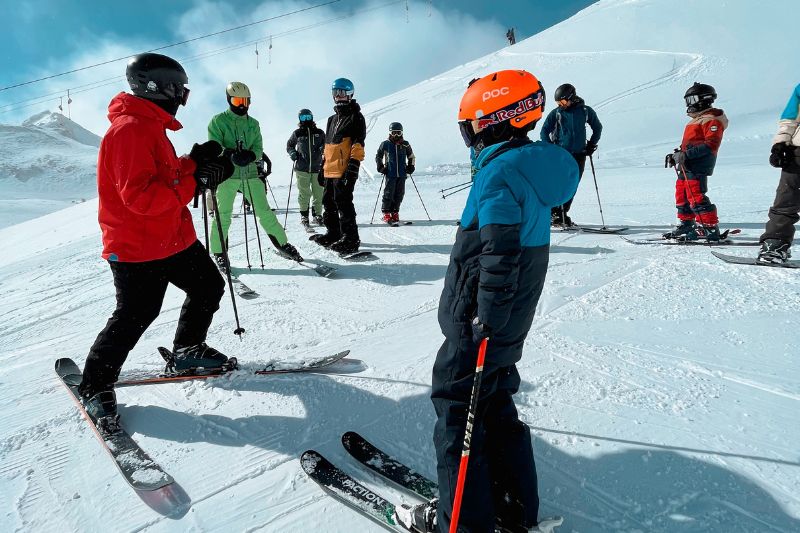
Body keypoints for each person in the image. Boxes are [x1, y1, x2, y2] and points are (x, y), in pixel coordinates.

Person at [397, 70, 579, 533]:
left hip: (483, 319)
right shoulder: (530, 164)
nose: (469, 137)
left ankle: (460, 522)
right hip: (507, 319)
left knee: (458, 407)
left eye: (471, 126)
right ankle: (514, 508)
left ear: (495, 120)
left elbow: (498, 251)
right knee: (495, 402)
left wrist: (484, 317)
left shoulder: (500, 172)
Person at [78, 53, 235, 432]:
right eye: (180, 90)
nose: (183, 97)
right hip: (137, 248)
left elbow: (163, 174)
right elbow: (142, 197)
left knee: (208, 286)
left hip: (171, 238)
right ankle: (94, 385)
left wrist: (194, 162)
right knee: (135, 314)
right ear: (159, 88)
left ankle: (186, 351)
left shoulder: (149, 127)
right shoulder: (129, 131)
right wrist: (194, 183)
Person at [207, 81, 303, 268]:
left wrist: (251, 155)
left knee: (264, 211)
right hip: (228, 175)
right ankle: (219, 252)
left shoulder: (253, 124)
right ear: (229, 100)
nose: (242, 105)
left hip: (250, 174)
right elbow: (214, 146)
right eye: (237, 101)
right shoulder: (218, 121)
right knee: (223, 214)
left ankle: (283, 244)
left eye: (245, 100)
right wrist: (229, 154)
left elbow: (258, 147)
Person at [663, 82, 728, 241]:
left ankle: (710, 227)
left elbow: (710, 145)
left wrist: (686, 155)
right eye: (687, 100)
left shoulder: (712, 120)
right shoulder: (697, 119)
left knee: (696, 195)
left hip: (698, 165)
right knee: (682, 194)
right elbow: (692, 143)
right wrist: (677, 155)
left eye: (692, 100)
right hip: (687, 165)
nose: (689, 104)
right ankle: (687, 224)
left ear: (703, 99)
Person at [309, 78, 367, 254]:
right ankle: (333, 233)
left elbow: (358, 144)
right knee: (328, 202)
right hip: (329, 169)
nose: (339, 96)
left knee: (344, 203)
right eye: (336, 93)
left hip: (344, 169)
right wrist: (322, 167)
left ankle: (351, 238)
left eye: (342, 92)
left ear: (350, 94)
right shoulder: (332, 119)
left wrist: (353, 167)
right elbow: (328, 147)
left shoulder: (356, 117)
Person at [539, 83, 602, 226]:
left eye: (562, 101)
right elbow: (544, 131)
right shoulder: (557, 113)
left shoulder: (585, 111)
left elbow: (597, 127)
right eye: (558, 103)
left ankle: (562, 214)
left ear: (571, 98)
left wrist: (591, 144)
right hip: (561, 155)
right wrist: (550, 148)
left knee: (572, 185)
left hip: (579, 155)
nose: (561, 105)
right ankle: (554, 213)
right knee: (559, 184)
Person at [758, 83, 800, 264]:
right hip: (798, 151)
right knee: (786, 197)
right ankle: (775, 244)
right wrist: (781, 143)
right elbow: (789, 119)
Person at [286, 108, 325, 228]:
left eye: (308, 117)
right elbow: (289, 145)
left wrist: (322, 149)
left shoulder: (319, 132)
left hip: (317, 167)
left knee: (318, 193)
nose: (306, 120)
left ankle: (317, 215)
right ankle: (304, 216)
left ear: (312, 117)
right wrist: (293, 153)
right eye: (303, 118)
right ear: (300, 119)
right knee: (305, 193)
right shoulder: (297, 133)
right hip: (302, 168)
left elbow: (326, 144)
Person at [375, 121, 416, 224]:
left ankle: (395, 212)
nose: (396, 135)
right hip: (390, 173)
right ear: (390, 133)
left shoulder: (405, 144)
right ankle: (386, 213)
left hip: (402, 173)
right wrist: (380, 167)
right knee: (389, 193)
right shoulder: (386, 144)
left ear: (401, 132)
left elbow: (411, 156)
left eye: (398, 132)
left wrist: (411, 166)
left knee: (399, 194)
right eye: (394, 133)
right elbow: (378, 156)